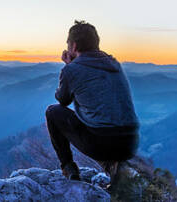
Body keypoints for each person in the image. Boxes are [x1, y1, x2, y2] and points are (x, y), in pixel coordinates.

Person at [45, 20, 140, 185]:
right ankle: (113, 165)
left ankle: (69, 168)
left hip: (102, 144)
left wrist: (69, 66)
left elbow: (62, 100)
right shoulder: (114, 64)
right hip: (129, 142)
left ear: (73, 46)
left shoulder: (72, 70)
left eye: (68, 45)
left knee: (53, 112)